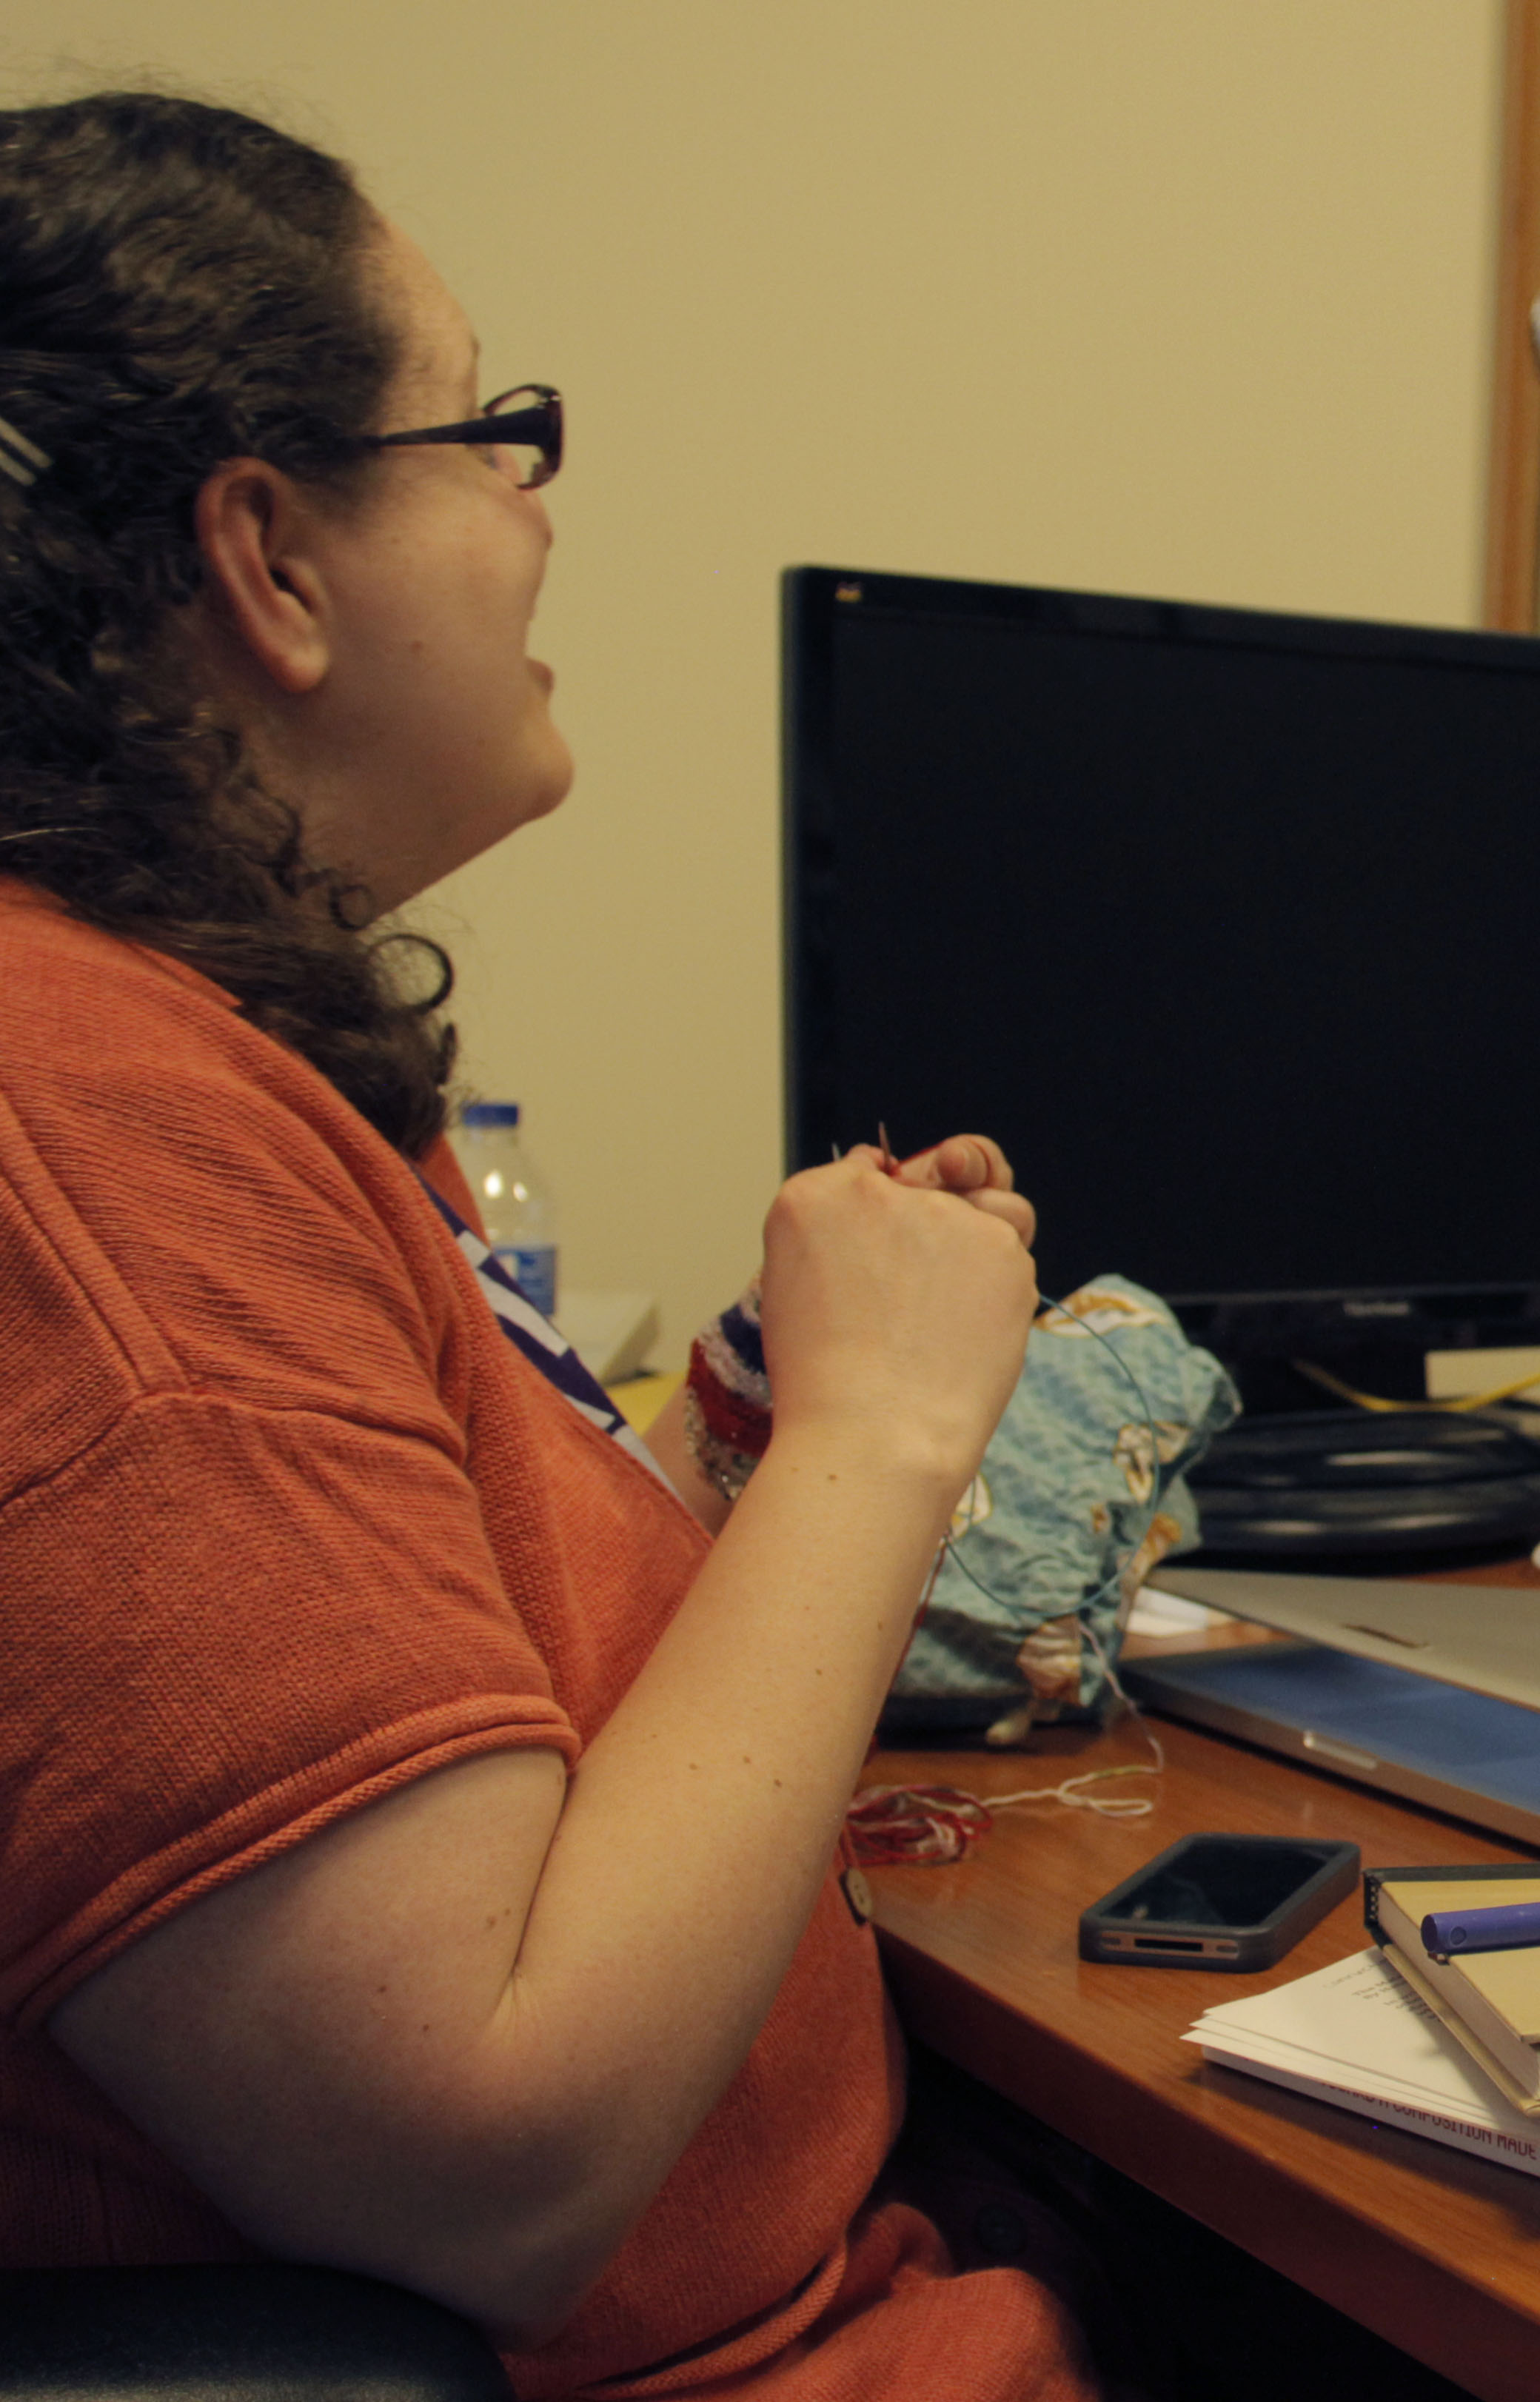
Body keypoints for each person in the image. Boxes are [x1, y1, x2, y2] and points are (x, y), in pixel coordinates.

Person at [0, 94, 1091, 2397]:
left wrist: (738, 1451)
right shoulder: (82, 1136)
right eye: (491, 428)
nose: (538, 506)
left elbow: (446, 1710)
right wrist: (878, 1438)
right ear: (270, 558)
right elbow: (490, 2141)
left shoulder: (169, 1053)